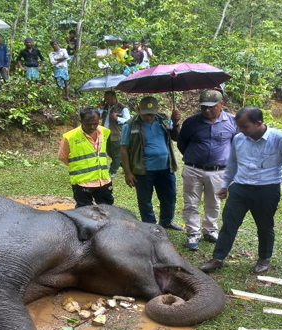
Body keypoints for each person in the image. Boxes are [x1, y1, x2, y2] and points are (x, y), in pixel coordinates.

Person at [200, 107, 282, 274]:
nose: (241, 131)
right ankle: (218, 258)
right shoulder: (238, 139)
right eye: (239, 127)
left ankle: (264, 259)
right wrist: (225, 184)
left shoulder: (281, 139)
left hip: (267, 189)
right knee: (229, 223)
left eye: (245, 126)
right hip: (240, 187)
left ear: (259, 123)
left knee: (264, 226)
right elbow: (232, 163)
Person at [177, 90, 238, 251]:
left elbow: (237, 144)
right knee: (191, 202)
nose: (206, 110)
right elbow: (182, 144)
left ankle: (210, 230)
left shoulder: (232, 121)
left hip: (219, 171)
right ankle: (192, 233)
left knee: (214, 202)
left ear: (221, 104)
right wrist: (197, 157)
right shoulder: (191, 122)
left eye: (211, 107)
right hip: (193, 169)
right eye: (203, 107)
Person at [120, 96, 183, 230]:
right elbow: (124, 150)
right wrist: (127, 172)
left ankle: (166, 221)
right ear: (138, 110)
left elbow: (176, 137)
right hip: (143, 169)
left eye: (151, 114)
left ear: (157, 110)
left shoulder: (164, 119)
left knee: (169, 196)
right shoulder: (130, 125)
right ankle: (150, 226)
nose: (148, 117)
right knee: (145, 200)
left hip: (166, 167)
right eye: (145, 114)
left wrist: (176, 122)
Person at [58, 108, 114, 207]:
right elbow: (63, 157)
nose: (92, 127)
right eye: (88, 124)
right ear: (81, 121)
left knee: (108, 209)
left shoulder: (105, 132)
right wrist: (79, 166)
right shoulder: (70, 137)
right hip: (82, 182)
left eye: (95, 123)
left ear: (99, 121)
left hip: (103, 180)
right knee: (84, 211)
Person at [98, 91, 130, 177]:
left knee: (116, 154)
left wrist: (117, 118)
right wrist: (100, 109)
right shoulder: (105, 107)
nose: (106, 101)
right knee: (110, 153)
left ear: (114, 97)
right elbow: (98, 116)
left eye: (108, 99)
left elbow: (128, 120)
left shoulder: (122, 108)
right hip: (105, 134)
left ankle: (112, 172)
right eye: (105, 99)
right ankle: (126, 166)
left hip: (116, 134)